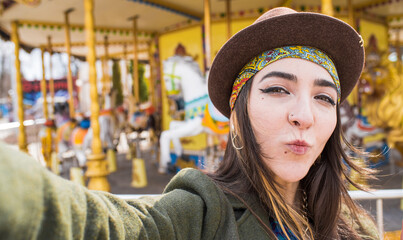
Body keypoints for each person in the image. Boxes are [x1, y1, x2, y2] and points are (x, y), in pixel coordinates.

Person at [0, 7, 382, 239]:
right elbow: (103, 226)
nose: (305, 115)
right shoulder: (201, 216)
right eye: (278, 89)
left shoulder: (356, 227)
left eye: (324, 97)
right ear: (236, 115)